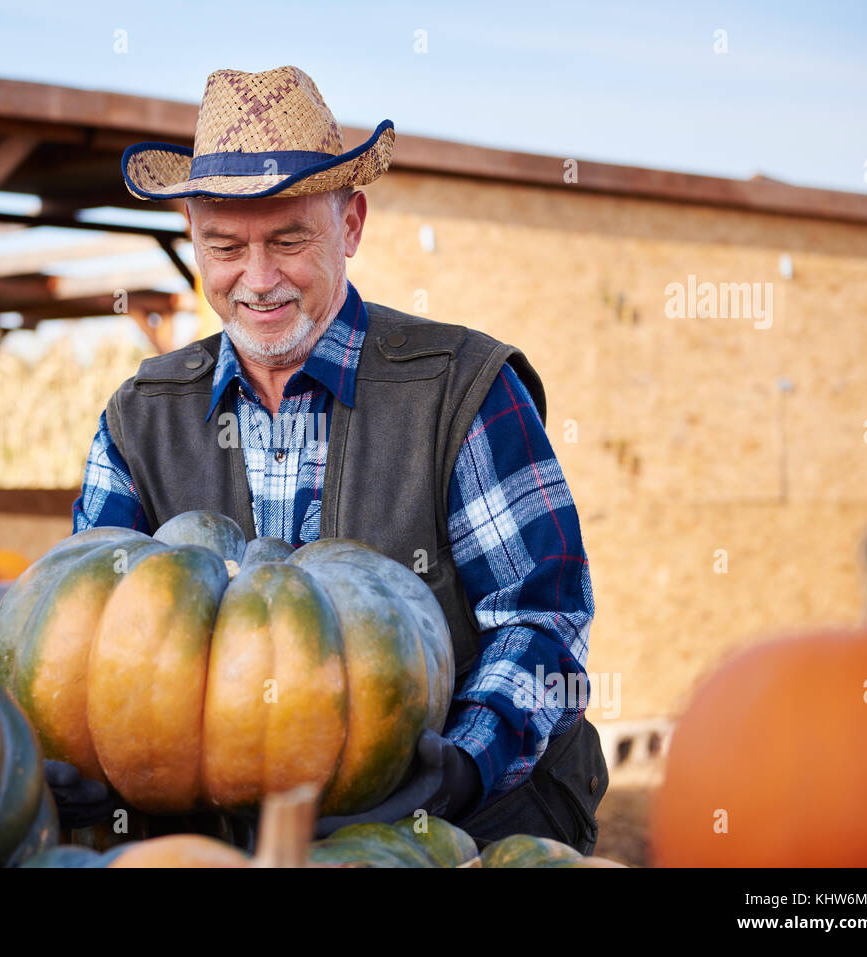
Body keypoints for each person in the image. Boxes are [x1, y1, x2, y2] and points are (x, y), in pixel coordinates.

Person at [61, 65, 608, 851]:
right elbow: (85, 625)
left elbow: (542, 617)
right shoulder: (140, 419)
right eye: (225, 245)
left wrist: (461, 764)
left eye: (289, 239)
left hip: (454, 838)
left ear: (349, 224)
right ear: (192, 234)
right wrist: (65, 740)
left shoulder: (461, 390)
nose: (258, 278)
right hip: (217, 844)